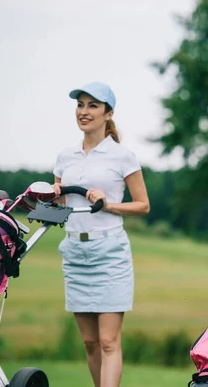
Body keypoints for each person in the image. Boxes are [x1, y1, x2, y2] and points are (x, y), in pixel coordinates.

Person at [52, 81, 150, 387]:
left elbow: (143, 205)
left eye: (92, 105)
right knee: (90, 343)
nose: (84, 112)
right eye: (80, 105)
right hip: (74, 253)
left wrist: (108, 204)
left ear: (108, 113)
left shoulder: (122, 156)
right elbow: (61, 207)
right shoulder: (65, 156)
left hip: (109, 253)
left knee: (108, 341)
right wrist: (53, 198)